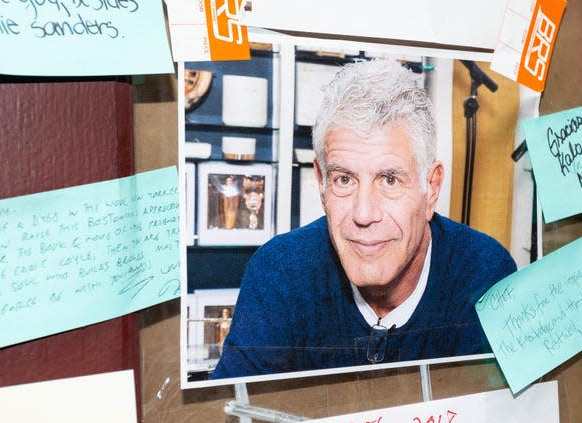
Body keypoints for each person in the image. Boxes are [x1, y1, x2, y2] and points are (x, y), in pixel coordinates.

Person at [211, 59, 516, 379]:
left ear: (432, 187)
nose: (364, 214)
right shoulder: (280, 273)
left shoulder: (485, 276)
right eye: (344, 179)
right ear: (322, 183)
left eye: (389, 180)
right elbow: (229, 418)